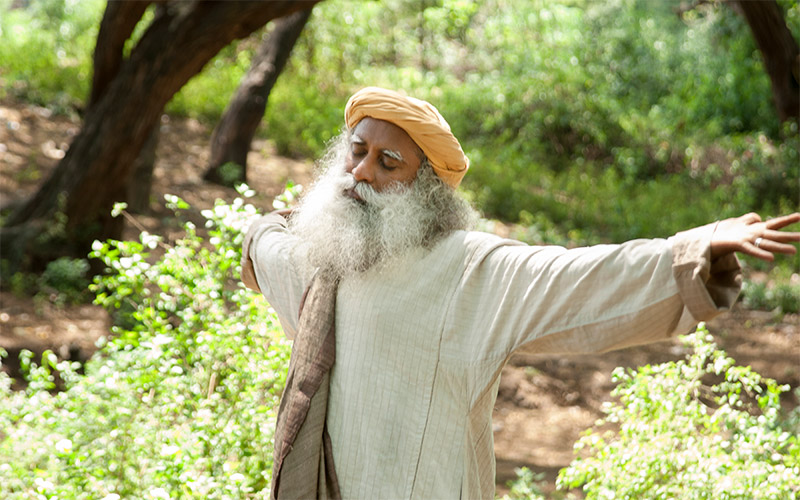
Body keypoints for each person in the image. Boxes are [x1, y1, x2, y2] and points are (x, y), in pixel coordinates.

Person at [241, 86, 800, 500]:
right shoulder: (321, 261)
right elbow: (265, 246)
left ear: (427, 190)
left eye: (390, 163)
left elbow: (574, 280)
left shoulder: (465, 271)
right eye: (357, 151)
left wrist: (693, 251)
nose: (362, 172)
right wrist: (276, 225)